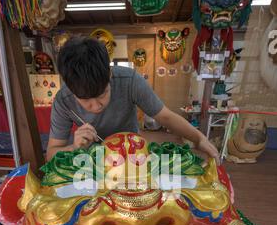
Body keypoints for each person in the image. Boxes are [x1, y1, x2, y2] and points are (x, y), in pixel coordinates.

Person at [47, 37, 219, 163]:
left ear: (110, 74)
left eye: (102, 94)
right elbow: (51, 154)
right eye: (85, 100)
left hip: (132, 154)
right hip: (93, 161)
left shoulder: (129, 81)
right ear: (70, 87)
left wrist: (198, 138)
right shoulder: (63, 100)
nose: (96, 106)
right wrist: (74, 148)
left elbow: (165, 117)